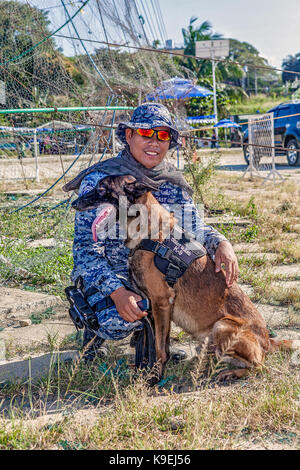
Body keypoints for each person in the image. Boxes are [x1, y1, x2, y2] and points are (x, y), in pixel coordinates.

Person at [65, 103, 239, 362]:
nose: (155, 143)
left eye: (163, 135)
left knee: (195, 280)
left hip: (153, 273)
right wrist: (117, 292)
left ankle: (151, 335)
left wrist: (221, 243)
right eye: (146, 134)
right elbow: (85, 252)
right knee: (117, 320)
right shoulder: (103, 180)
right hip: (111, 273)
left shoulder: (170, 181)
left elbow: (194, 227)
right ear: (129, 136)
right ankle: (93, 333)